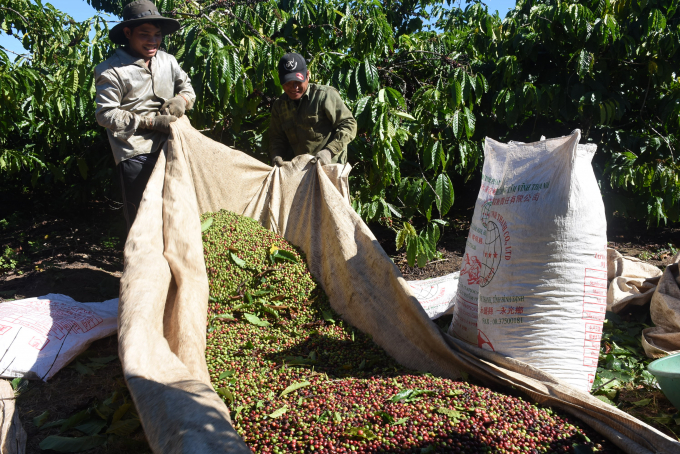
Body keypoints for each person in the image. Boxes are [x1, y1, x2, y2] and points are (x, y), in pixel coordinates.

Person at [95, 0, 195, 231]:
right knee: (142, 218)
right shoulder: (111, 70)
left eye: (157, 35)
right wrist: (150, 122)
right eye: (145, 34)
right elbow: (105, 114)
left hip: (173, 146)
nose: (153, 41)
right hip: (136, 153)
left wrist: (182, 100)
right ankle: (141, 265)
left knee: (175, 213)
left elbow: (187, 89)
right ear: (128, 33)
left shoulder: (168, 61)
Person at [269, 53, 357, 167]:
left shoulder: (324, 96)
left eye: (297, 82)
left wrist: (329, 152)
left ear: (307, 75)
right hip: (301, 171)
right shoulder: (280, 106)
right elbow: (276, 138)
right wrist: (276, 156)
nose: (293, 87)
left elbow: (349, 124)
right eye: (288, 83)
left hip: (330, 168)